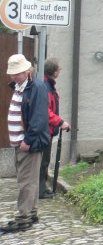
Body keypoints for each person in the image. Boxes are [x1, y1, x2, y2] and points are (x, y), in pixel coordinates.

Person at [1, 54, 50, 234]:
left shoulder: (36, 87)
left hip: (28, 144)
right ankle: (32, 213)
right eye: (12, 74)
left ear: (27, 71)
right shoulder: (21, 86)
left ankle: (23, 219)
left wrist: (27, 141)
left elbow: (39, 118)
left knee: (25, 182)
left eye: (17, 73)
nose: (14, 77)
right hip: (20, 143)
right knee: (30, 181)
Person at [38, 57, 70, 199]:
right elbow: (46, 111)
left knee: (44, 161)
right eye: (59, 68)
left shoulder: (48, 86)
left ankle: (42, 189)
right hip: (44, 131)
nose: (60, 70)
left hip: (47, 130)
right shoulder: (46, 87)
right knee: (43, 161)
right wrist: (60, 122)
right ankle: (40, 191)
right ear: (54, 72)